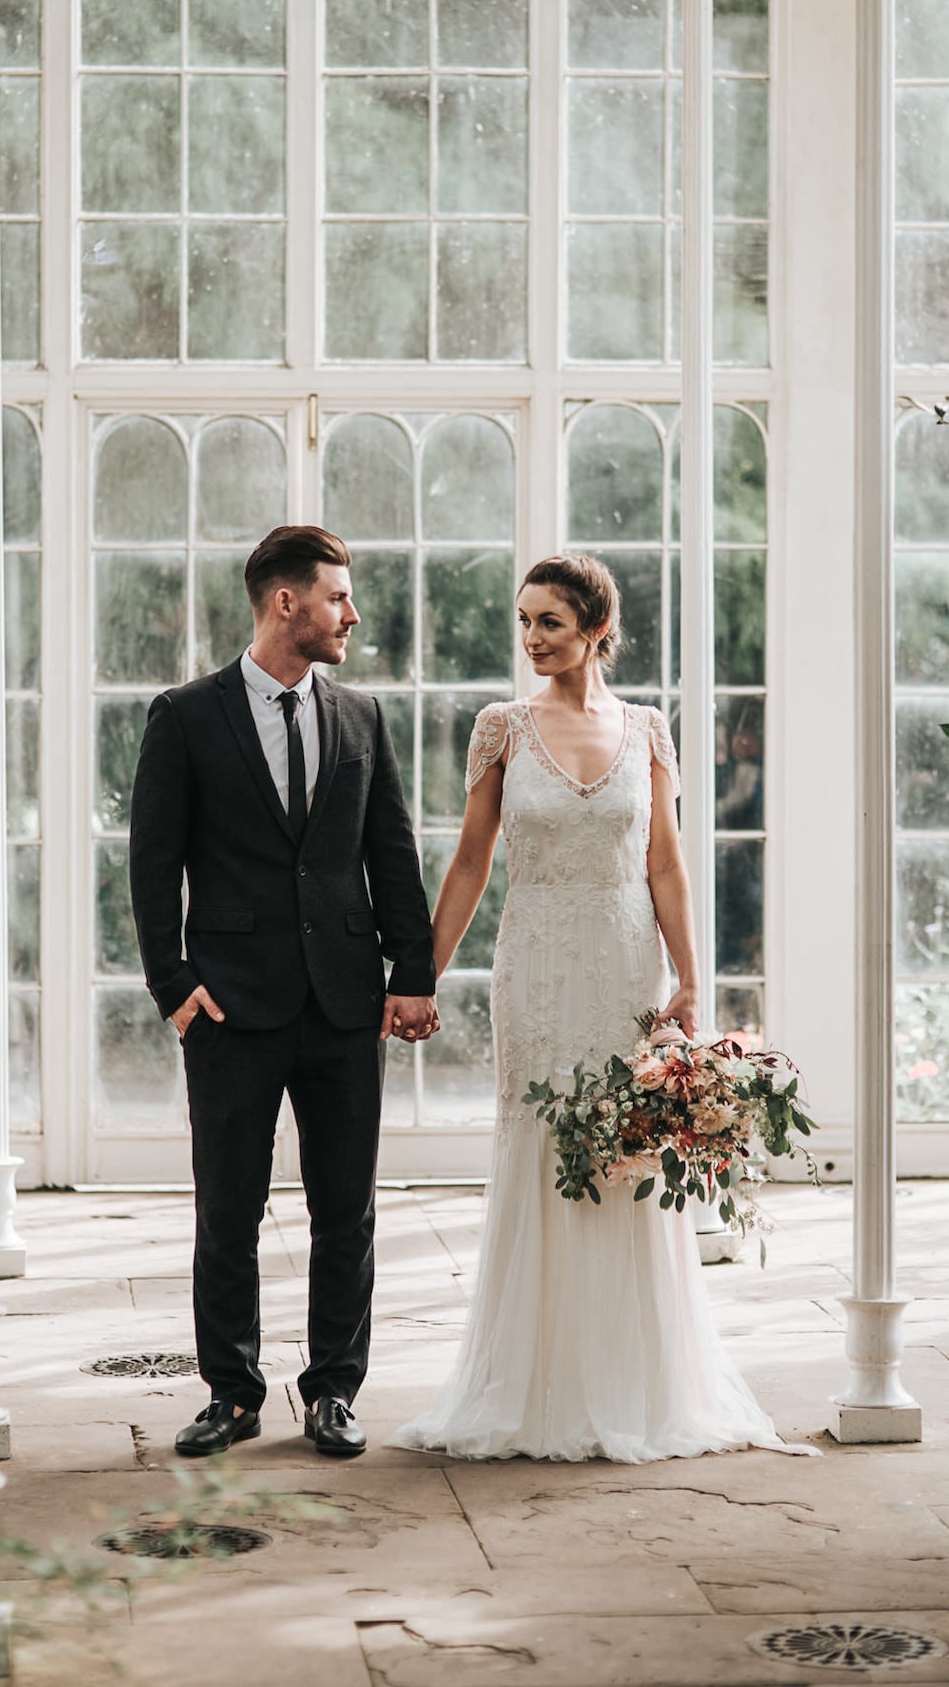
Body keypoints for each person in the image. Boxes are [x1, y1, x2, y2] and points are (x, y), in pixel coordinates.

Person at [392, 555, 815, 1463]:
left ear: (594, 627)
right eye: (524, 621)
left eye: (548, 621)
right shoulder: (501, 730)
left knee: (625, 1156)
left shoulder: (648, 730)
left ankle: (639, 1387)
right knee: (539, 1149)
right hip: (536, 965)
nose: (531, 638)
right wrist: (421, 972)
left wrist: (694, 980)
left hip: (627, 965)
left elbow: (664, 863)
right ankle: (533, 1387)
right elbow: (471, 860)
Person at [129, 525, 437, 1461]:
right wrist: (174, 987)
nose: (353, 613)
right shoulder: (185, 716)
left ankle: (334, 1391)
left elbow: (392, 852)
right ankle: (232, 1394)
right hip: (230, 1006)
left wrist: (411, 972)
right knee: (228, 1210)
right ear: (285, 602)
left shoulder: (362, 717)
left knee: (347, 1206)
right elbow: (153, 864)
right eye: (339, 597)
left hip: (344, 1005)